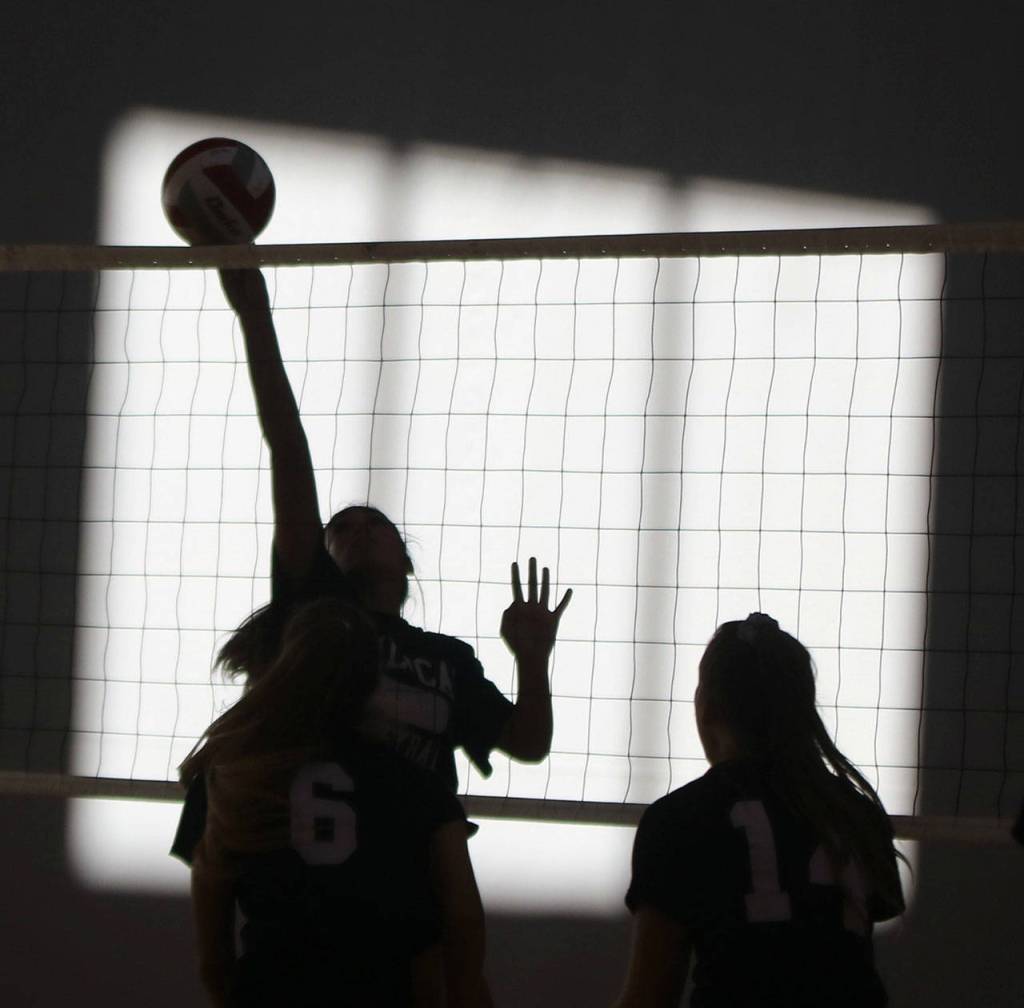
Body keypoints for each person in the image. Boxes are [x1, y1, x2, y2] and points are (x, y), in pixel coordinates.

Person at [172, 267, 571, 860]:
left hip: (406, 861)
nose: (358, 533)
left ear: (406, 562)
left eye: (374, 525)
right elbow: (288, 448)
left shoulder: (447, 658)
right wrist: (254, 314)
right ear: (322, 555)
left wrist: (534, 661)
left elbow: (529, 743)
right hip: (308, 860)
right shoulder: (313, 610)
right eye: (342, 529)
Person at [181, 597, 493, 1007]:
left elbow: (213, 964)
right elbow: (461, 925)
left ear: (284, 670)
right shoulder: (418, 785)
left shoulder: (232, 780)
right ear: (373, 681)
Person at [613, 613, 905, 1008]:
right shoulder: (856, 814)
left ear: (707, 708)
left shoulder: (679, 820)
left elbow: (649, 998)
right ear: (802, 709)